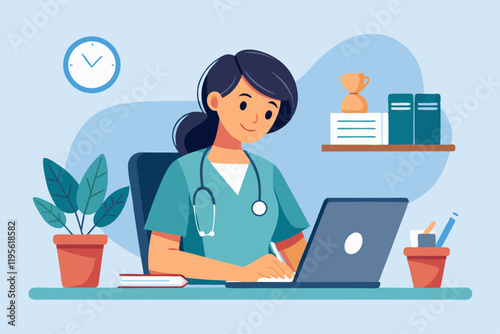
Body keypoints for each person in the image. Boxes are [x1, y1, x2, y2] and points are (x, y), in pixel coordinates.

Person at [145, 50, 309, 282]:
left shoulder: (268, 173)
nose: (256, 119)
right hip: (203, 298)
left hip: (264, 296)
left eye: (268, 112)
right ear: (215, 101)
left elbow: (298, 255)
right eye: (244, 104)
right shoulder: (183, 171)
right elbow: (161, 260)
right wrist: (241, 274)